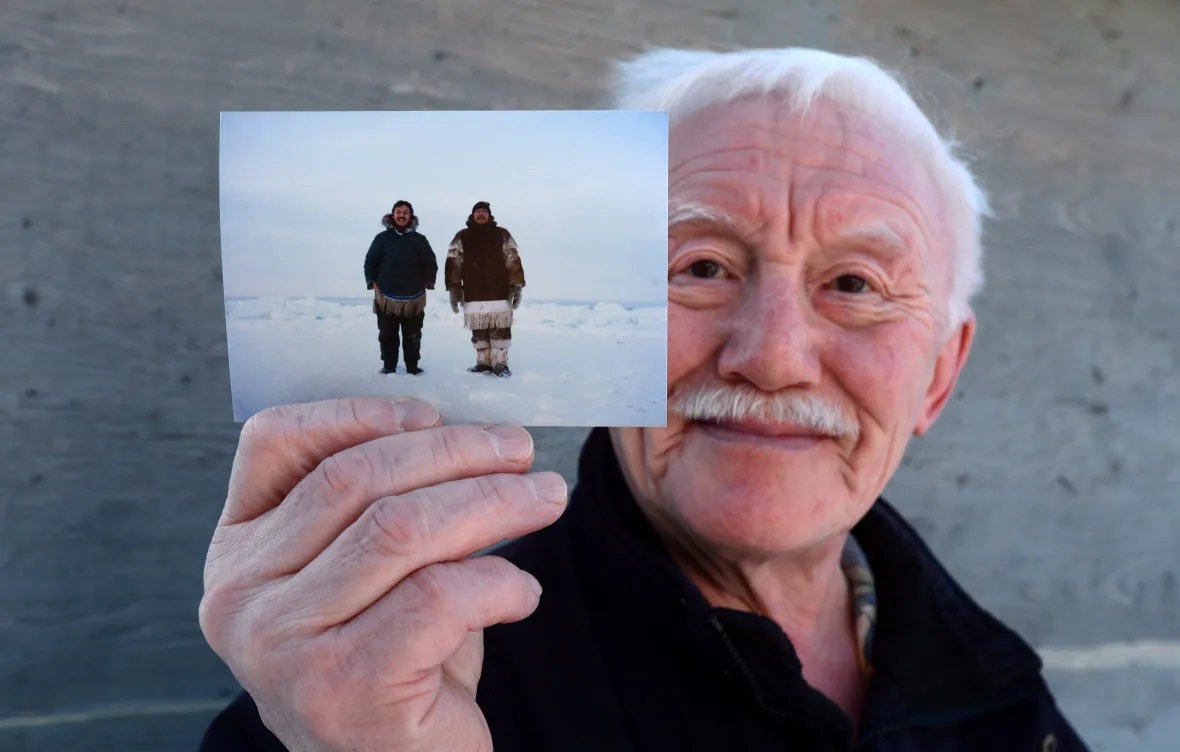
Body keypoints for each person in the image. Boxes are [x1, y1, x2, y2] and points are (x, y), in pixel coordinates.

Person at [197, 47, 1091, 751]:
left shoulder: (996, 684)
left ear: (938, 373)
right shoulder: (375, 684)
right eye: (699, 268)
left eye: (854, 285)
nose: (772, 358)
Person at [445, 201, 525, 377]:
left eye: (484, 211)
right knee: (479, 331)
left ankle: (500, 364)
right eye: (477, 212)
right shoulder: (462, 236)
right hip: (474, 292)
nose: (481, 214)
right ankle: (483, 363)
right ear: (472, 215)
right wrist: (454, 288)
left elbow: (512, 259)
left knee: (500, 331)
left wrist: (517, 284)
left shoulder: (502, 234)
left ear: (489, 215)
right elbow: (453, 262)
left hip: (499, 291)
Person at [363, 200, 438, 375]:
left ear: (411, 216)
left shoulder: (419, 240)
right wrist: (371, 281)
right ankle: (389, 366)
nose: (402, 215)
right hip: (386, 296)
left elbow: (430, 263)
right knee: (387, 334)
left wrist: (429, 281)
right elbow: (370, 262)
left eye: (405, 212)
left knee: (412, 335)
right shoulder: (382, 238)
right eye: (398, 211)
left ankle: (412, 366)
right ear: (392, 215)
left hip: (414, 296)